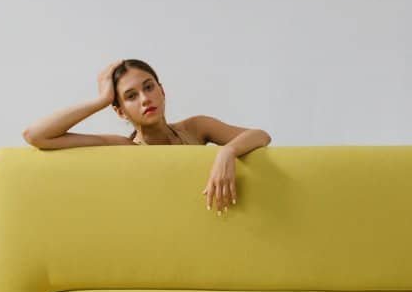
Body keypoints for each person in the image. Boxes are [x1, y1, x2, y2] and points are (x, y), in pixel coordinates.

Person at [22, 60, 271, 216]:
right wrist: (101, 100)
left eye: (149, 87)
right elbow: (36, 135)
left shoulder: (197, 128)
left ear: (162, 91)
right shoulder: (123, 146)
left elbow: (260, 136)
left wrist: (226, 152)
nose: (144, 99)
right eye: (130, 96)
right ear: (119, 110)